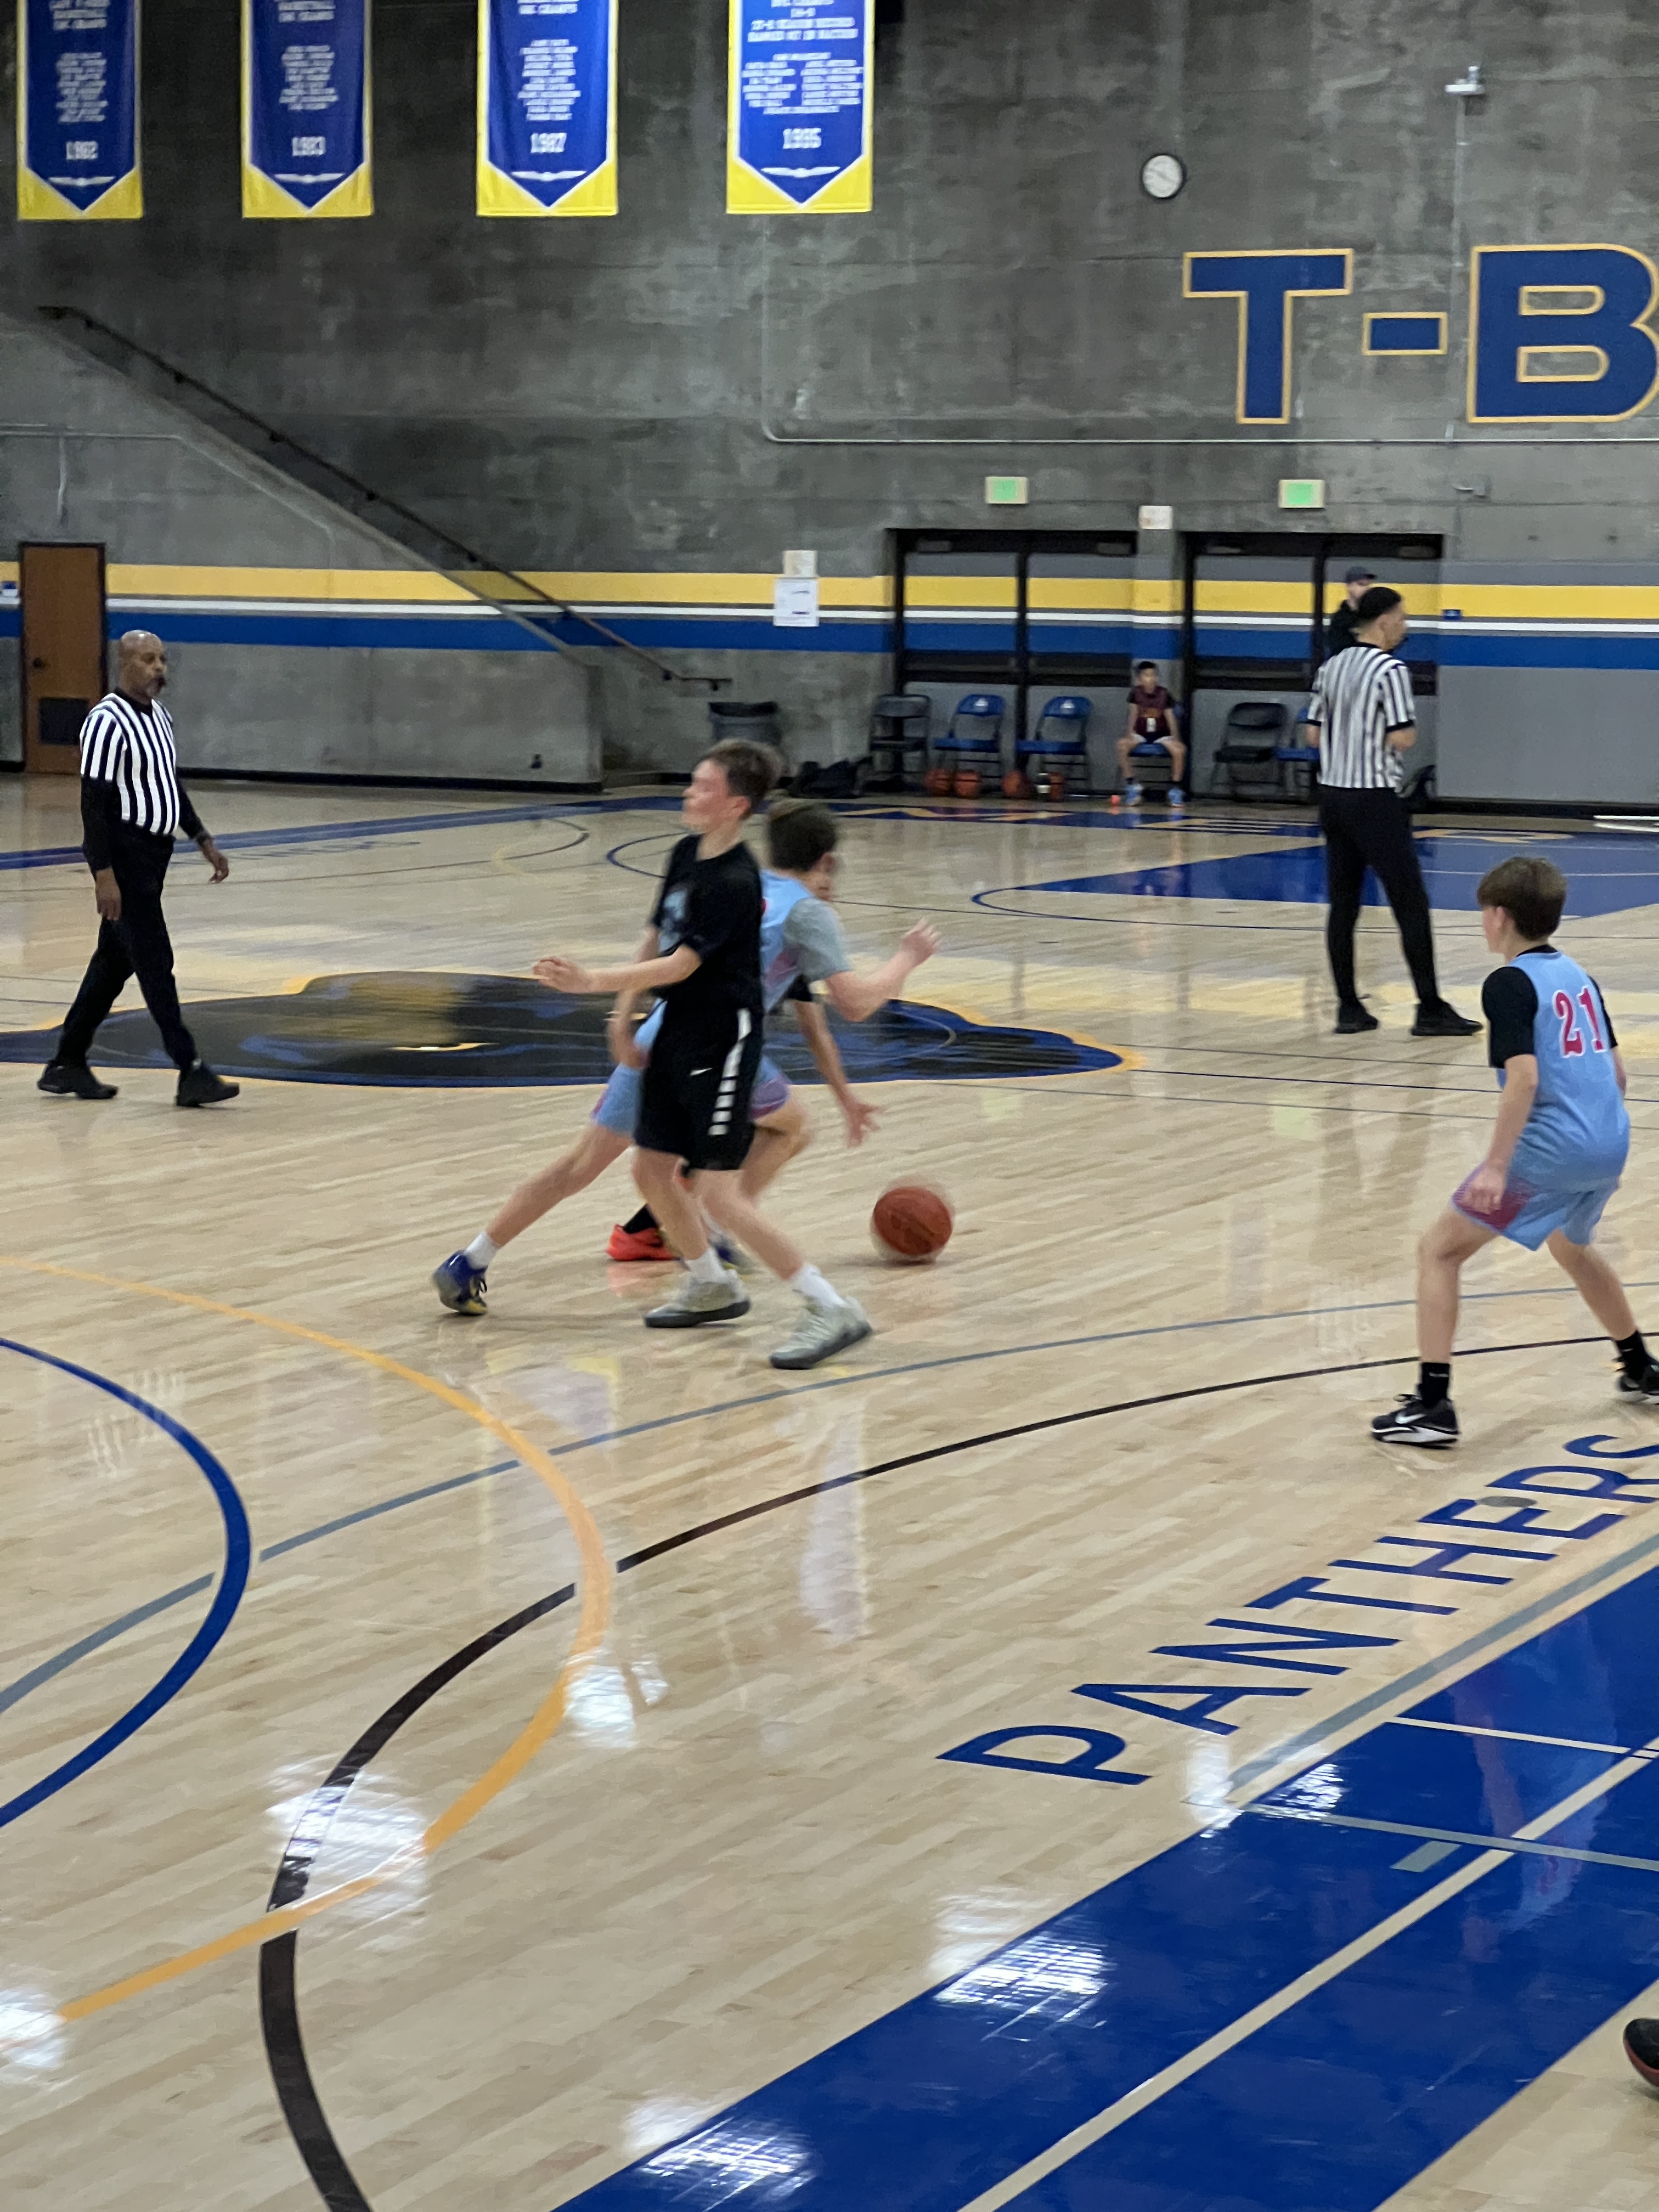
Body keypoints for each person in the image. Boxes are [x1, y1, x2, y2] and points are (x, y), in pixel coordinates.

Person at [431, 798, 937, 1310]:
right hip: (716, 1044)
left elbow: (659, 944)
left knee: (583, 1166)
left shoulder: (741, 886)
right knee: (789, 1130)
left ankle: (471, 1260)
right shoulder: (808, 914)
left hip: (661, 1030)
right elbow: (854, 1004)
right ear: (827, 861)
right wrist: (907, 959)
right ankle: (717, 1242)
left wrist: (622, 1017)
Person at [523, 743, 885, 1370]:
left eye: (702, 785)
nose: (689, 792)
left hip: (724, 1042)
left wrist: (594, 984)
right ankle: (711, 1282)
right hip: (675, 1035)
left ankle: (830, 1306)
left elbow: (685, 964)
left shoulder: (745, 883)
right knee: (649, 1170)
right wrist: (621, 1015)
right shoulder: (695, 859)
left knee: (720, 1194)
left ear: (738, 806)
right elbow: (667, 946)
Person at [1372, 856, 1659, 1446]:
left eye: (1483, 913)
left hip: (1549, 1156)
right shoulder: (1578, 976)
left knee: (1439, 1251)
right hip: (1609, 1143)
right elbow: (1618, 1074)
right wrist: (1594, 1143)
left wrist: (1498, 1167)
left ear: (1499, 917)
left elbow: (1524, 1079)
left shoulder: (1508, 984)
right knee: (1572, 1246)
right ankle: (1641, 1367)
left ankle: (1432, 1404)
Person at [38, 631, 240, 1107]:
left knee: (112, 966)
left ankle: (67, 1062)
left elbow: (168, 784)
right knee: (155, 962)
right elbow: (93, 805)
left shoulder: (160, 717)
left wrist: (202, 837)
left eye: (162, 659)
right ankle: (190, 1069)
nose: (159, 668)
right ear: (124, 663)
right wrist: (103, 874)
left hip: (155, 856)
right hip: (126, 857)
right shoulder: (106, 722)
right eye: (148, 659)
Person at [1305, 585, 1478, 1039]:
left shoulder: (1331, 667)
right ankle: (1430, 1007)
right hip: (1374, 798)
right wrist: (1378, 737)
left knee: (1344, 905)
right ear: (1383, 623)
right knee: (1410, 902)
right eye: (1401, 618)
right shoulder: (1391, 669)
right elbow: (1404, 737)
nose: (1405, 626)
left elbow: (1312, 735)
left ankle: (1348, 1008)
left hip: (1333, 795)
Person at [1116, 661, 1186, 805]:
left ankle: (1175, 789)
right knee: (1121, 746)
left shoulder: (1164, 694)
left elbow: (1170, 718)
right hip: (1141, 732)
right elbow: (1133, 715)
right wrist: (1129, 734)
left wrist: (1176, 738)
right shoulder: (1135, 694)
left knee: (1179, 750)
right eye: (1147, 675)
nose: (1151, 678)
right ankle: (1132, 786)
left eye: (1154, 675)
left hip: (1161, 734)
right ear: (1139, 680)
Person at [1326, 565, 1376, 657]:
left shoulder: (1372, 615)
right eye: (1361, 584)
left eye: (1367, 585)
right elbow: (1338, 648)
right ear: (1349, 586)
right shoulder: (1340, 619)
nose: (1366, 589)